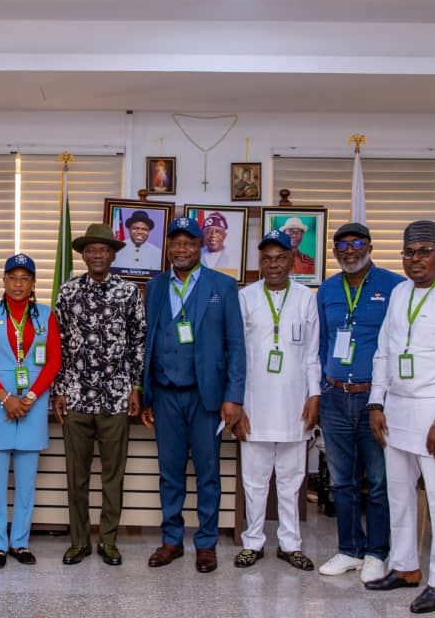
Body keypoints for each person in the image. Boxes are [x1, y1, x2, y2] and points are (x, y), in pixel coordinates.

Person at [364, 220, 435, 614]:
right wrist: (376, 403)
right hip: (397, 411)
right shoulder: (399, 293)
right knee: (398, 496)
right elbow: (384, 351)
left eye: (424, 252)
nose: (415, 259)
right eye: (409, 253)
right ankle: (405, 567)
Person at [141, 217, 245, 573]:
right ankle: (172, 540)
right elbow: (148, 341)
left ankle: (206, 543)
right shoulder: (155, 286)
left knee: (207, 473)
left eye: (189, 242)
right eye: (176, 243)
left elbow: (236, 345)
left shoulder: (222, 286)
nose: (182, 249)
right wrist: (146, 393)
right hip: (165, 394)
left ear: (200, 246)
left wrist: (234, 397)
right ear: (169, 247)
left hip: (206, 396)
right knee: (169, 472)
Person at [53, 224, 147, 566]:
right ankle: (79, 542)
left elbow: (138, 341)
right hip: (76, 397)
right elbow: (58, 343)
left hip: (116, 397)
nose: (97, 255)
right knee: (76, 476)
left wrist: (136, 387)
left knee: (112, 476)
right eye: (91, 250)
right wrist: (59, 389)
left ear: (112, 254)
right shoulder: (68, 292)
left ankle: (108, 541)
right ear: (82, 255)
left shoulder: (128, 292)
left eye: (103, 250)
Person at [316, 222, 405, 583]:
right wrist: (321, 387)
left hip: (375, 399)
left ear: (369, 246)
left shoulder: (395, 286)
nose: (349, 251)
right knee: (342, 480)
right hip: (335, 396)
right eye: (342, 246)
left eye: (356, 243)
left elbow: (400, 342)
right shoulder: (327, 289)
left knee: (379, 481)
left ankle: (377, 552)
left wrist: (385, 397)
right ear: (334, 252)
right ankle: (350, 549)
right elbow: (322, 343)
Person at [233, 229, 320, 570]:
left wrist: (314, 395)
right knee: (254, 482)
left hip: (294, 406)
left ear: (291, 261)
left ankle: (290, 544)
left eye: (280, 258)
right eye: (267, 259)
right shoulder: (246, 297)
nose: (273, 265)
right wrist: (237, 404)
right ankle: (252, 542)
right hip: (254, 406)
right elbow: (236, 356)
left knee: (291, 481)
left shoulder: (306, 298)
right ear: (260, 262)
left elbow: (312, 354)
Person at [0, 254, 61, 569]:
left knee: (26, 483)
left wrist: (30, 398)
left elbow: (54, 361)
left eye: (24, 278)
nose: (18, 284)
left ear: (33, 283)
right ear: (4, 281)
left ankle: (19, 541)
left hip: (31, 406)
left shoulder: (46, 315)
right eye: (12, 278)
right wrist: (6, 398)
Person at [112, 210, 162, 277]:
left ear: (149, 232)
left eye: (144, 229)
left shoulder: (158, 253)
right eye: (135, 228)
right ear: (129, 229)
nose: (139, 232)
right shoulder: (116, 250)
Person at [200, 211, 241, 279]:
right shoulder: (196, 254)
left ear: (224, 235)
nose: (213, 235)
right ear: (203, 235)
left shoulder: (234, 256)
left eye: (217, 231)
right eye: (208, 231)